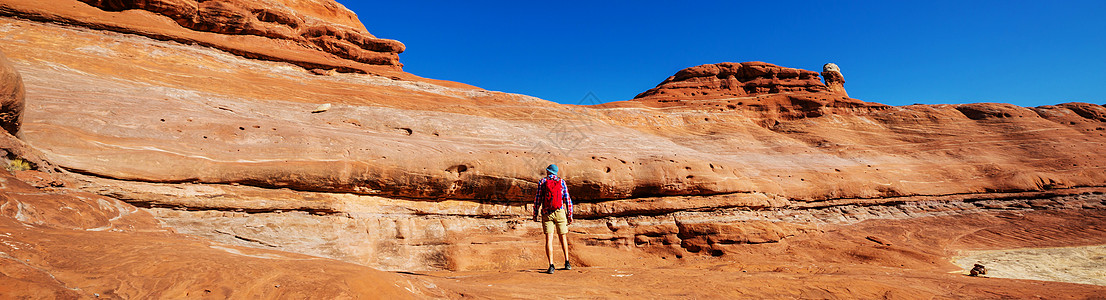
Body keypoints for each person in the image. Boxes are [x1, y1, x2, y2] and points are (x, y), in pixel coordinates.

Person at [533, 164, 573, 274]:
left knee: (549, 239)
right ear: (556, 172)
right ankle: (567, 262)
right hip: (560, 212)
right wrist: (570, 215)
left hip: (547, 212)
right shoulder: (561, 182)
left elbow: (538, 199)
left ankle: (551, 265)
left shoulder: (542, 182)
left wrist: (535, 213)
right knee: (563, 237)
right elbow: (567, 199)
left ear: (548, 171)